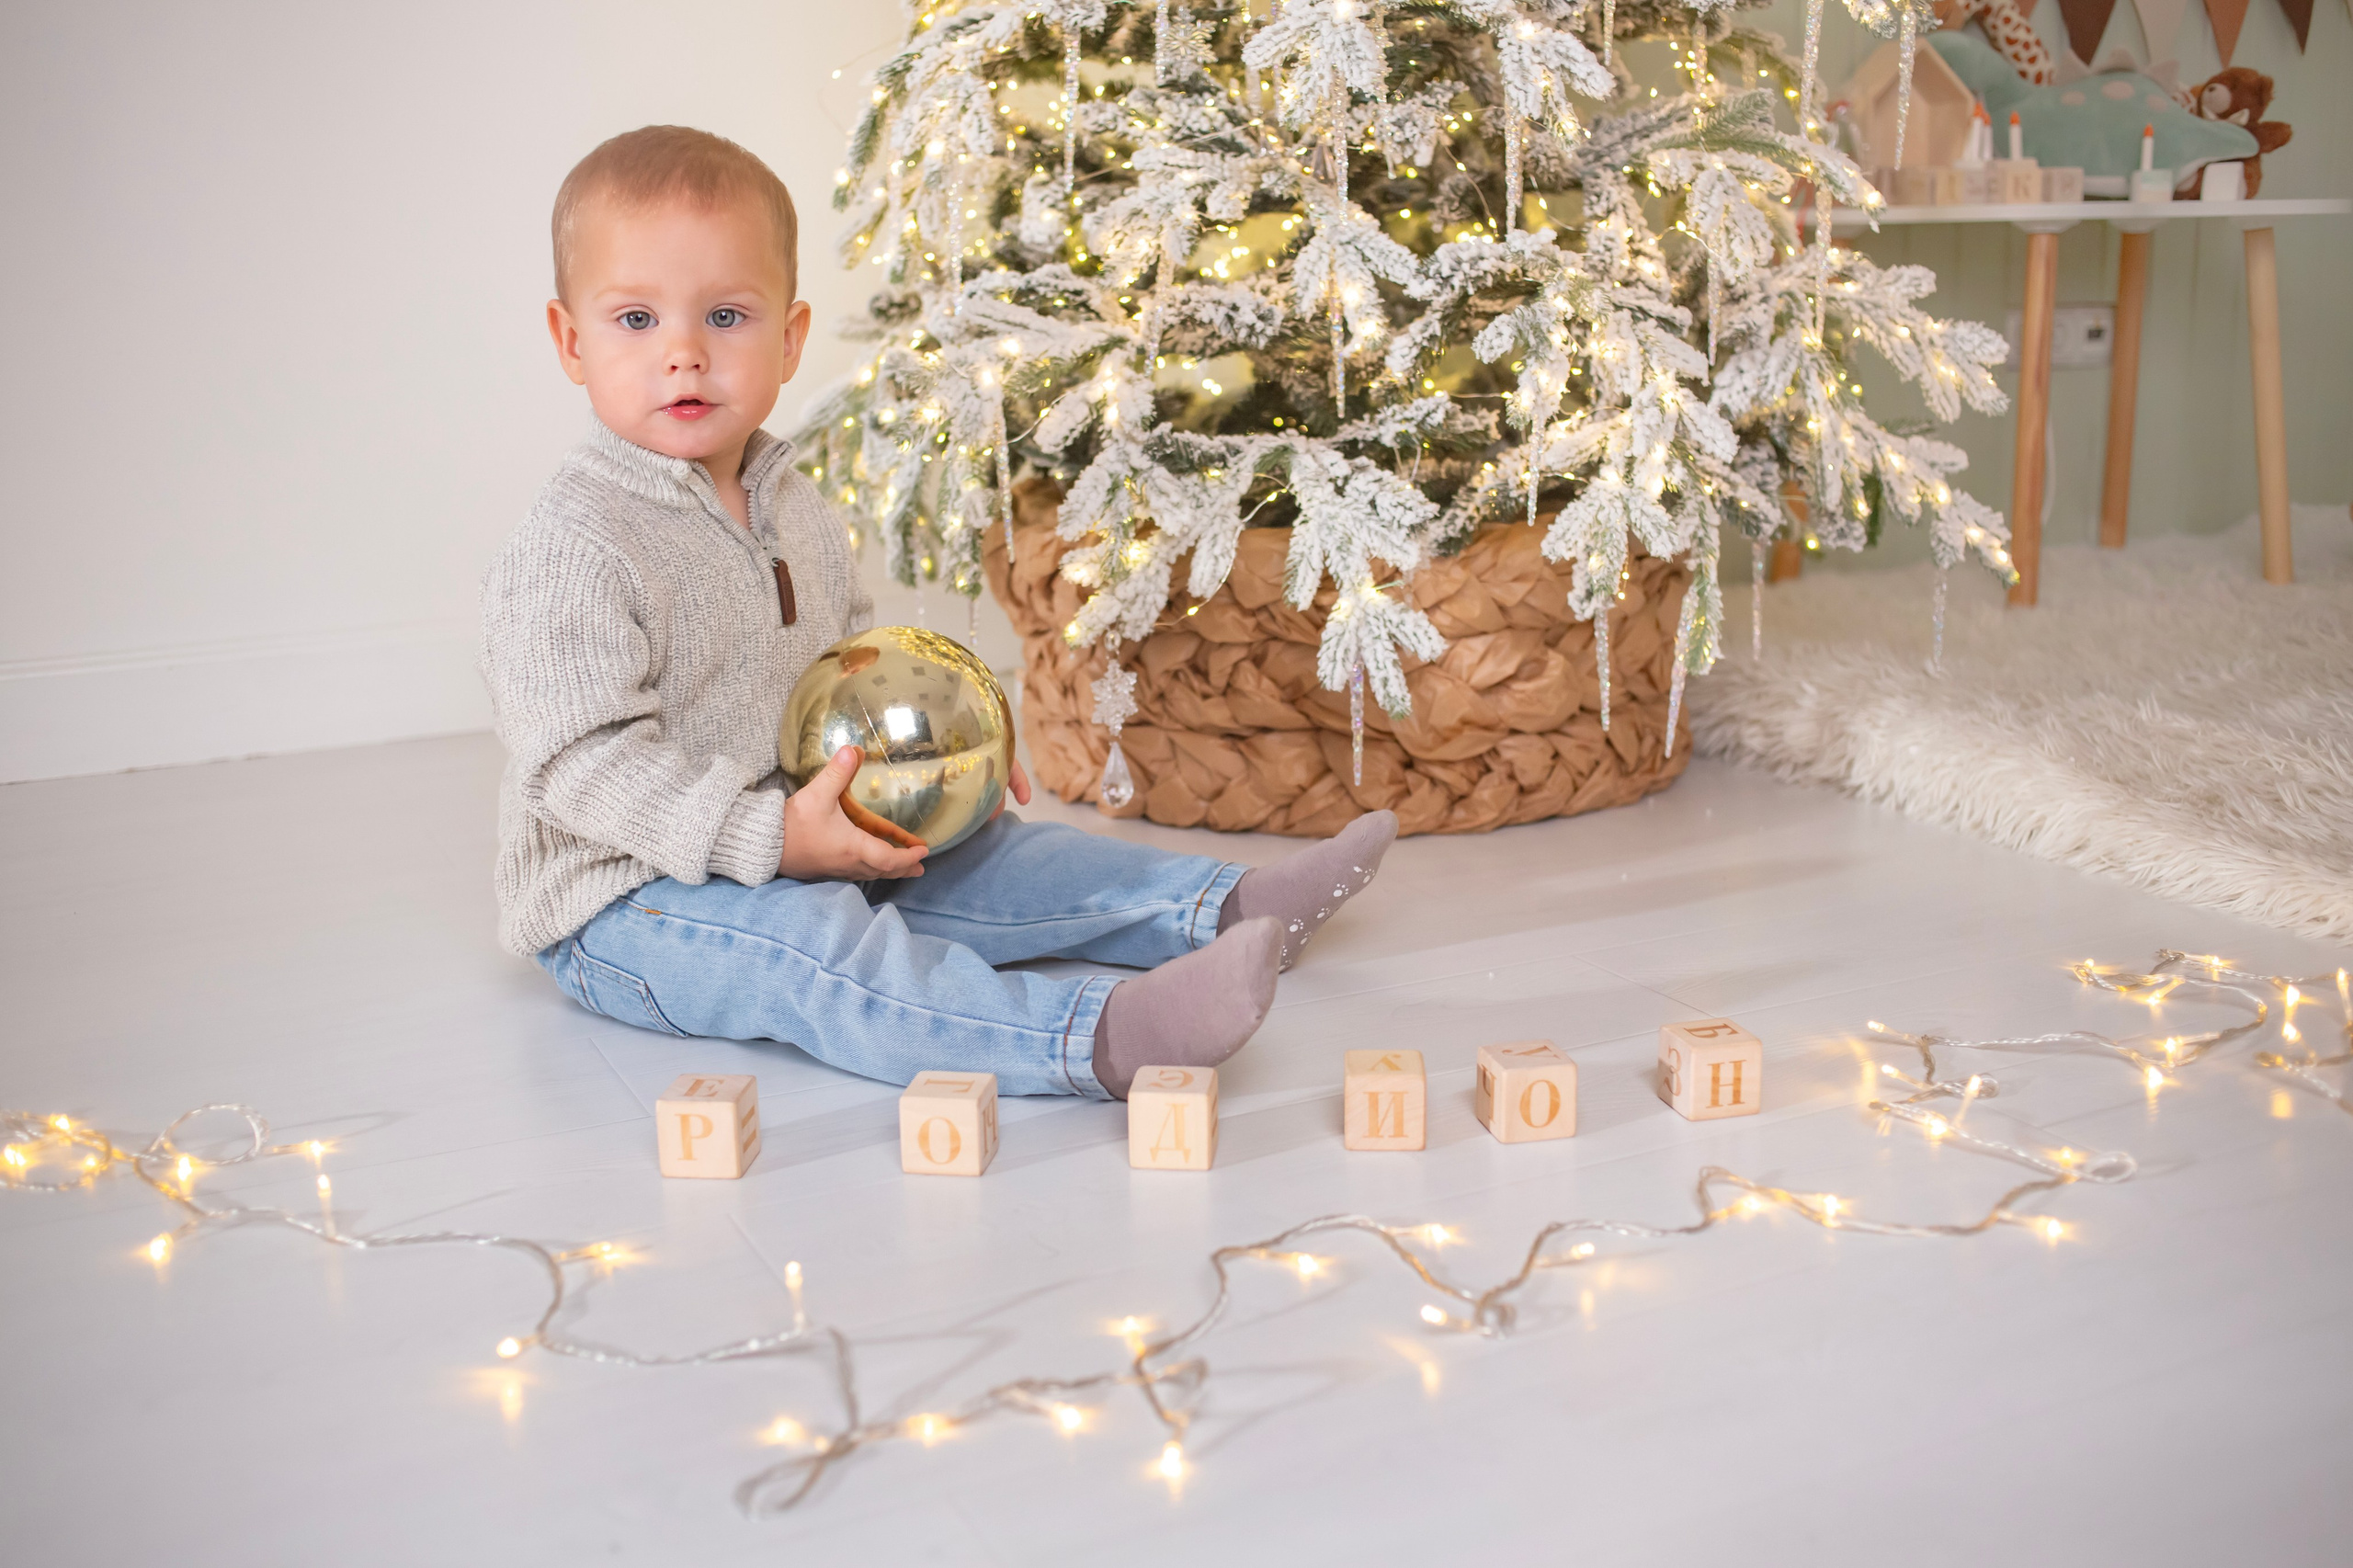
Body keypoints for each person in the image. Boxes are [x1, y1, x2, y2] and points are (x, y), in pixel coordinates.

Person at [480, 126, 1395, 1099]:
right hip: (633, 900)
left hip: (809, 828)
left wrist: (940, 771)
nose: (684, 355)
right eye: (635, 320)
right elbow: (578, 766)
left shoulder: (793, 503)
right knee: (819, 951)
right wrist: (771, 839)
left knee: (1000, 857)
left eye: (726, 316)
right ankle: (1095, 1037)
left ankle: (1226, 906)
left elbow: (855, 677)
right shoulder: (575, 543)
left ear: (788, 339)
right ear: (571, 341)